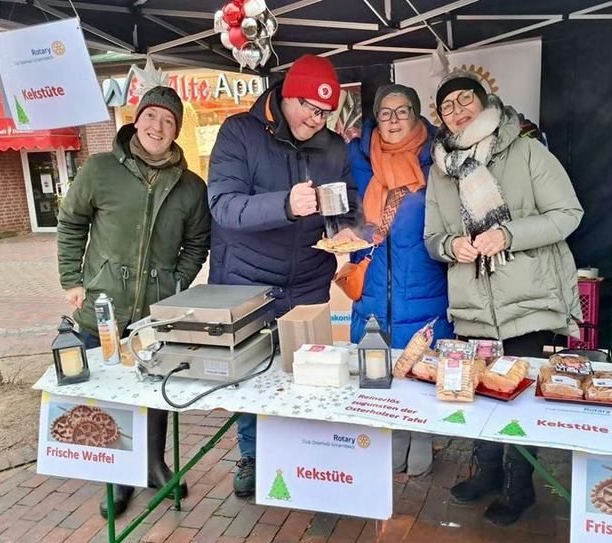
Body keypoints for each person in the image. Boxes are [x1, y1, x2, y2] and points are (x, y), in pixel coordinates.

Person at [424, 70, 583, 525]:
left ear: (484, 100)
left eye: (464, 100)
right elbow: (432, 236)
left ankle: (520, 486)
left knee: (519, 399)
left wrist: (508, 234)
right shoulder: (440, 170)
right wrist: (450, 246)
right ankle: (488, 472)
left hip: (530, 304)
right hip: (474, 308)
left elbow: (569, 214)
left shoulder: (527, 150)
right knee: (479, 394)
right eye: (447, 106)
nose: (457, 111)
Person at [207, 54, 360, 498]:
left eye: (326, 113)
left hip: (309, 279)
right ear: (286, 95)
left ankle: (306, 452)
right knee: (253, 374)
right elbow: (223, 205)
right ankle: (252, 454)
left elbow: (346, 196)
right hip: (247, 282)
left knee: (308, 368)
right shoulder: (240, 133)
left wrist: (346, 223)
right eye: (310, 109)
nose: (317, 120)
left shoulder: (332, 146)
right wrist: (285, 205)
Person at [57, 86, 211, 518]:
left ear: (176, 130)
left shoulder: (190, 186)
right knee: (111, 394)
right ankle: (118, 474)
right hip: (102, 307)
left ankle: (153, 463)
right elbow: (71, 223)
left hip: (154, 315)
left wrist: (177, 282)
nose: (157, 127)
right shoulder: (99, 169)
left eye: (168, 121)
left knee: (154, 388)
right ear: (136, 120)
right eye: (151, 117)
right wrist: (73, 279)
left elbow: (198, 243)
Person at [347, 84, 453, 476]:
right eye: (385, 112)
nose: (393, 120)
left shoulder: (438, 158)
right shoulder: (356, 157)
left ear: (416, 114)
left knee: (421, 363)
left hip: (423, 282)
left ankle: (421, 433)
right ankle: (390, 432)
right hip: (372, 279)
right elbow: (342, 210)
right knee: (376, 367)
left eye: (402, 111)